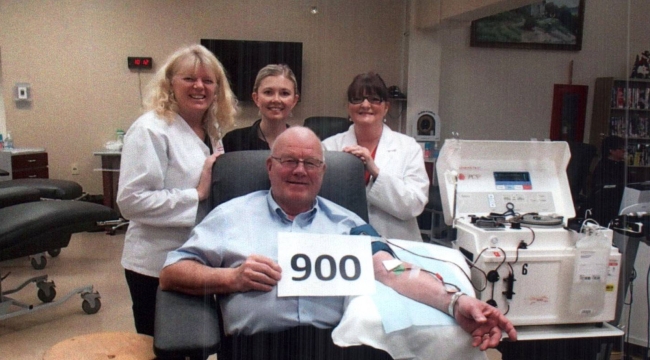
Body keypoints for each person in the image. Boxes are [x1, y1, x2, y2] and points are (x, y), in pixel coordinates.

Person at [159, 127, 517, 358]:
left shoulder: (348, 224)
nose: (300, 170)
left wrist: (457, 302)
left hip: (337, 345)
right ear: (270, 166)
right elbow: (172, 273)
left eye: (311, 163)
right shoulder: (230, 216)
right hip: (257, 348)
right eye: (289, 161)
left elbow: (394, 271)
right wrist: (231, 279)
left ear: (323, 172)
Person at [116, 44, 238, 336]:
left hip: (196, 262)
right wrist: (196, 195)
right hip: (154, 264)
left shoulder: (210, 129)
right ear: (170, 83)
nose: (200, 87)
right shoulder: (150, 129)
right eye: (189, 79)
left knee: (195, 343)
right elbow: (131, 202)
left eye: (208, 81)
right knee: (163, 348)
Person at [322, 72, 429, 241]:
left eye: (374, 99)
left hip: (397, 244)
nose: (365, 104)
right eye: (357, 99)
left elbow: (414, 205)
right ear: (349, 107)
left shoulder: (408, 148)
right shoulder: (329, 147)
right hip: (343, 244)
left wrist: (376, 172)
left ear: (386, 106)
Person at [222, 64, 299, 151]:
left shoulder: (304, 144)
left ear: (294, 101)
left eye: (284, 93)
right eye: (268, 92)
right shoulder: (233, 141)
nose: (276, 99)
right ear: (256, 98)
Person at [590, 135, 627, 225]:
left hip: (620, 201)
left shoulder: (622, 165)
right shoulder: (603, 166)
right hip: (605, 204)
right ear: (611, 150)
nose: (624, 151)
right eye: (620, 148)